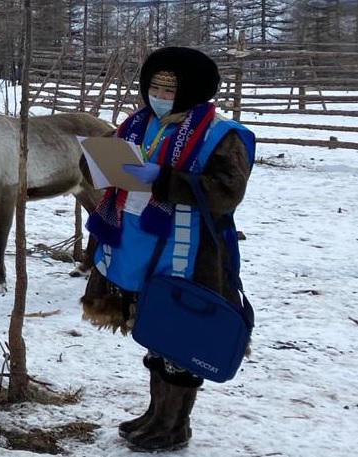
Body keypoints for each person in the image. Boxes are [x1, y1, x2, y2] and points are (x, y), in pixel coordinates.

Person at [80, 47, 255, 452]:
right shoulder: (136, 125)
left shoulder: (221, 135)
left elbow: (228, 191)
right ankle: (157, 413)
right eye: (154, 85)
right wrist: (95, 164)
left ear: (193, 90)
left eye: (169, 87)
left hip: (191, 253)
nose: (159, 93)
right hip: (138, 247)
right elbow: (94, 165)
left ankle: (175, 425)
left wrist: (164, 179)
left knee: (181, 337)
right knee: (155, 331)